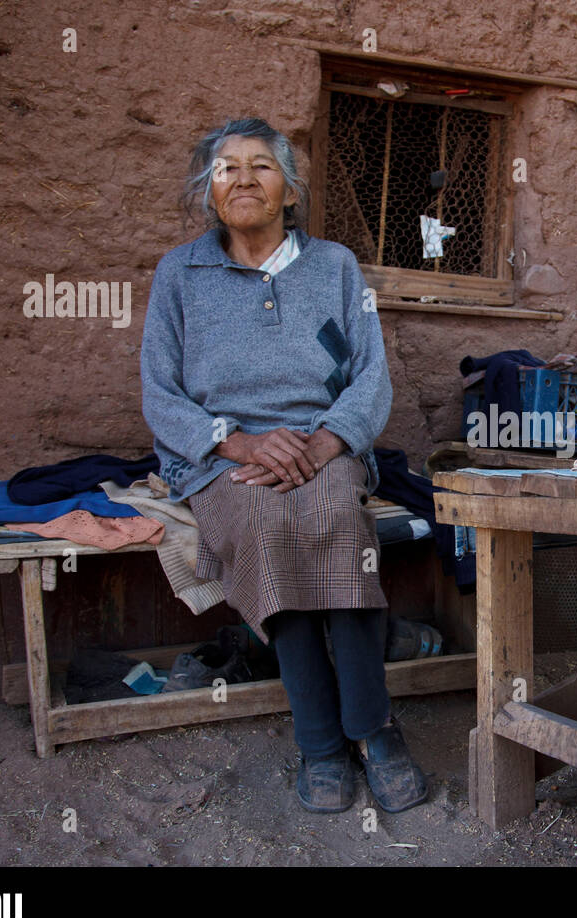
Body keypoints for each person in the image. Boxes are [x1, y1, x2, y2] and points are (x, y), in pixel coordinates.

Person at [140, 117, 427, 814]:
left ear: (290, 189)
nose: (242, 179)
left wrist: (329, 442)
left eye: (260, 166)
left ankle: (373, 727)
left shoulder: (334, 267)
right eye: (226, 168)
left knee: (331, 513)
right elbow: (159, 391)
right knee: (265, 520)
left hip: (321, 442)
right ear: (208, 191)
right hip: (220, 451)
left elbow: (372, 377)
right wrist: (231, 441)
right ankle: (322, 741)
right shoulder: (181, 273)